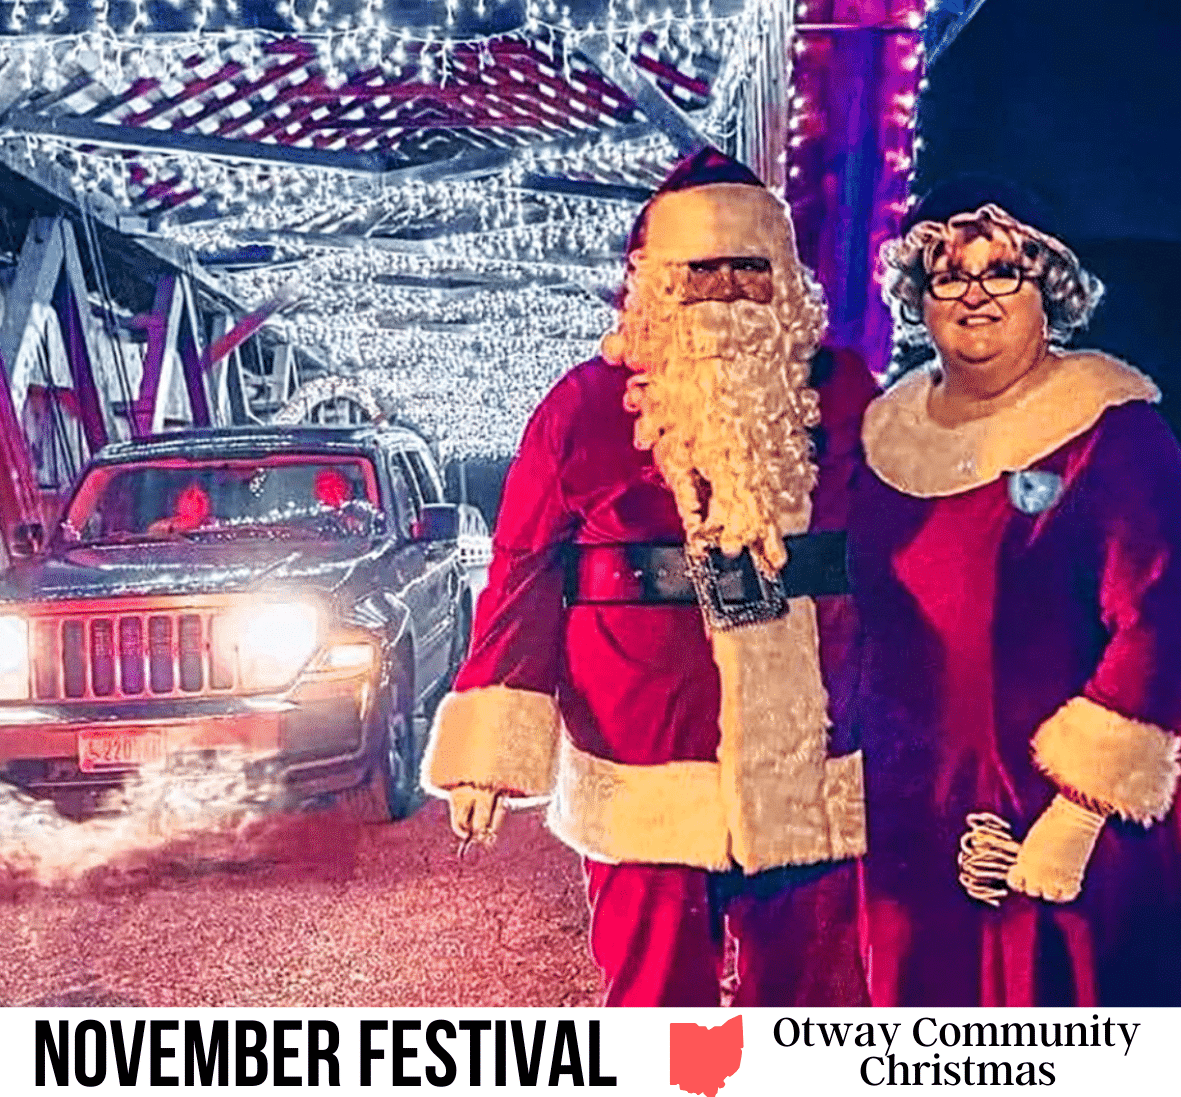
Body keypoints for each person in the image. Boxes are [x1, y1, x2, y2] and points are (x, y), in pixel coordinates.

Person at [421, 148, 877, 1007]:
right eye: (704, 272)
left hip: (807, 755)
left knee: (814, 996)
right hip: (642, 755)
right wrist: (488, 757)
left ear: (783, 281)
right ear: (660, 284)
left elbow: (910, 549)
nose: (731, 294)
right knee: (655, 995)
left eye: (753, 269)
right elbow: (521, 574)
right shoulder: (585, 406)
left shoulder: (843, 393)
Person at [852, 177, 1181, 1005]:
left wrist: (1075, 814)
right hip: (913, 826)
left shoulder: (1113, 429)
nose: (973, 295)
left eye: (1002, 272)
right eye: (947, 275)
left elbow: (1161, 615)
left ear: (1051, 290)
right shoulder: (884, 443)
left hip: (1057, 839)